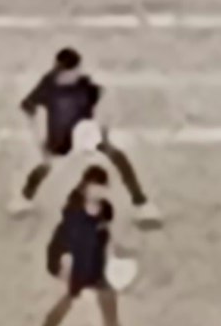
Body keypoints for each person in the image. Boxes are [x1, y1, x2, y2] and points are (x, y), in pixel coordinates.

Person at [39, 167, 146, 326]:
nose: (97, 191)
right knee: (65, 316)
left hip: (96, 266)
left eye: (100, 187)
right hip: (75, 267)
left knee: (110, 318)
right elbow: (64, 249)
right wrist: (67, 274)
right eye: (93, 187)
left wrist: (118, 260)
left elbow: (106, 239)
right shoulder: (74, 215)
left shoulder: (106, 210)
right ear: (85, 187)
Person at [16, 46, 148, 214]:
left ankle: (141, 202)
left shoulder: (84, 84)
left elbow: (104, 99)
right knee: (45, 166)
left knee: (117, 157)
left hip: (86, 133)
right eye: (76, 70)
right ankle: (24, 198)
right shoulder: (47, 85)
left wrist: (103, 130)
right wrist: (39, 141)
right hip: (59, 138)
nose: (79, 72)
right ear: (64, 71)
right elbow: (28, 108)